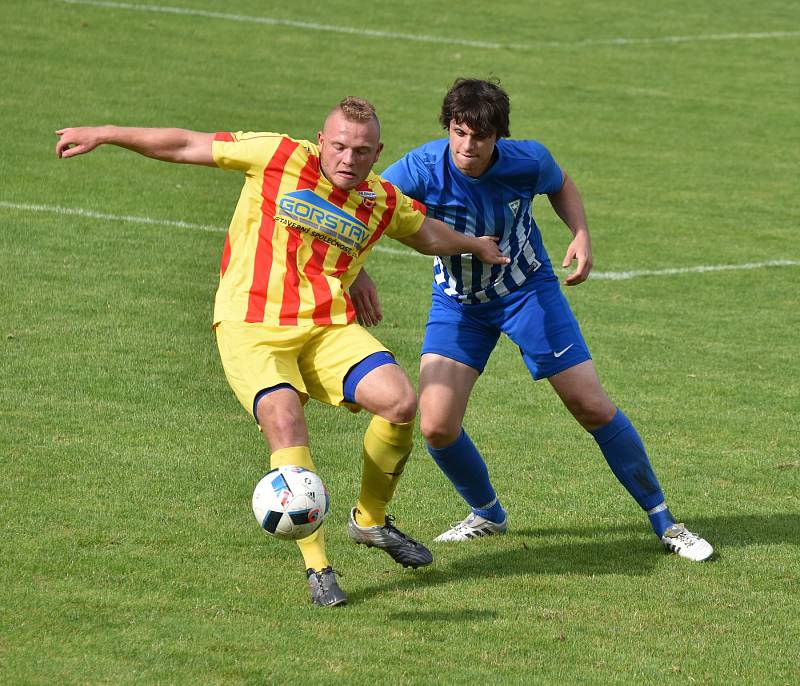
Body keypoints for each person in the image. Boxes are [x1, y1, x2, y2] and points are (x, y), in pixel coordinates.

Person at [55, 96, 510, 607]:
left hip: (324, 326)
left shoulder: (381, 200)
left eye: (361, 151)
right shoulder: (276, 155)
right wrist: (106, 131)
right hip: (251, 324)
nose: (347, 158)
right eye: (338, 146)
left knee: (402, 402)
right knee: (286, 421)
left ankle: (369, 521)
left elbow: (426, 233)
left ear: (377, 152)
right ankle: (319, 570)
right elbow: (186, 144)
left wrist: (474, 246)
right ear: (321, 141)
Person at [351, 79, 713, 562]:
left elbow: (561, 182)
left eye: (478, 137)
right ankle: (487, 514)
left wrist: (580, 233)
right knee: (436, 426)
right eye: (458, 132)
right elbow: (361, 206)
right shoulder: (419, 168)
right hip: (458, 303)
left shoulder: (528, 161)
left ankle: (665, 521)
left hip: (527, 292)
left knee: (590, 405)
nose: (466, 146)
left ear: (498, 136)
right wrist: (356, 273)